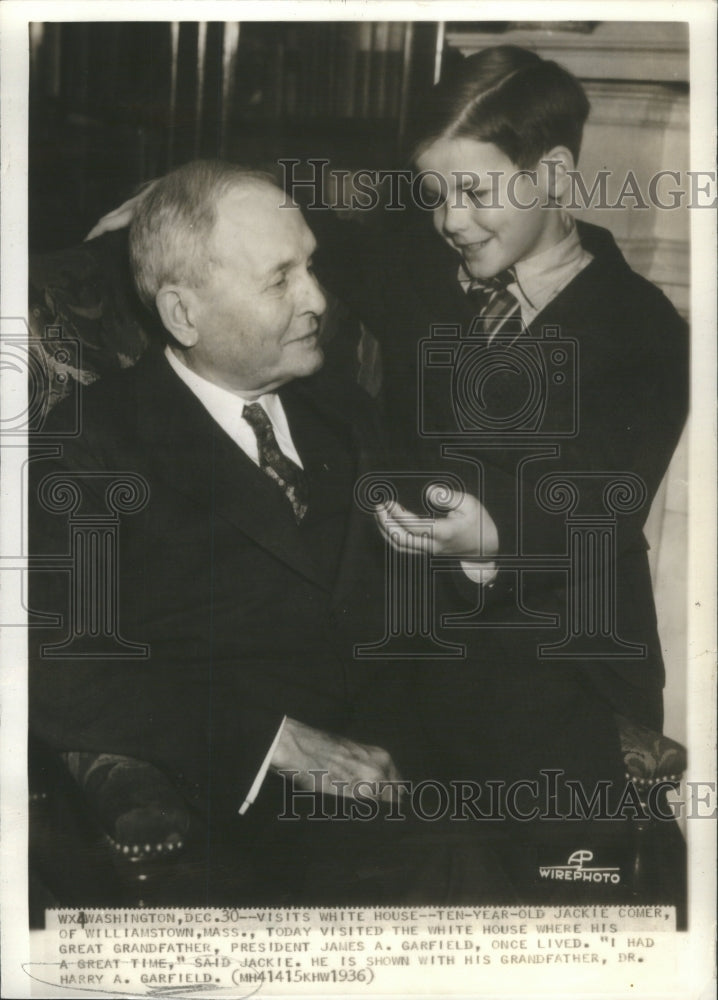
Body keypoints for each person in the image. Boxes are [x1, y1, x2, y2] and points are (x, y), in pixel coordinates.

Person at [75, 45, 689, 901]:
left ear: (552, 174)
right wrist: (174, 200)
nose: (451, 219)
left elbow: (603, 504)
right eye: (433, 193)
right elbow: (305, 229)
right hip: (421, 630)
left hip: (560, 639)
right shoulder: (420, 263)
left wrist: (493, 531)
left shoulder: (645, 332)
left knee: (567, 872)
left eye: (475, 192)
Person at [28, 159, 507, 907]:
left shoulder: (340, 410)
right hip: (234, 811)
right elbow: (52, 662)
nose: (317, 299)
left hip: (406, 777)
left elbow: (417, 598)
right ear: (184, 314)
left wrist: (476, 560)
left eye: (310, 267)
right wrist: (271, 741)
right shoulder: (94, 442)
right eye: (280, 279)